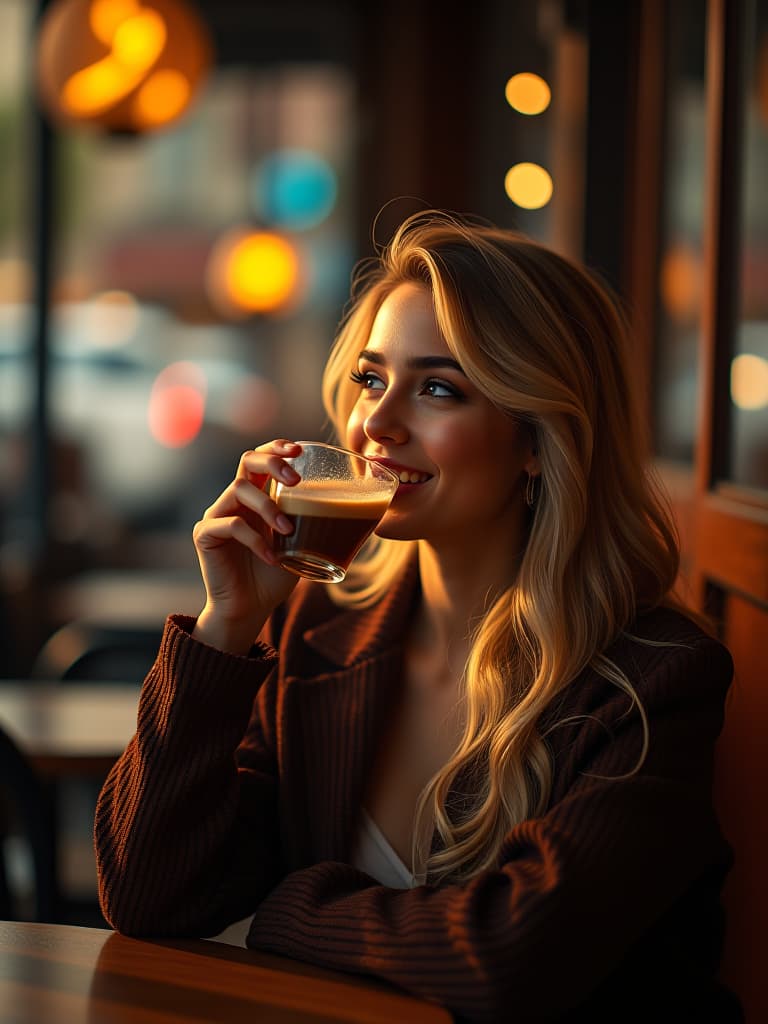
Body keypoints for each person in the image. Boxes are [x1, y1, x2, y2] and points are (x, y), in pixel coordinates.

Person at [95, 209, 741, 1022]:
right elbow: (148, 892)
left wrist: (289, 907)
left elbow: (505, 961)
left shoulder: (650, 677)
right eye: (371, 378)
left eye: (439, 388)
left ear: (539, 439)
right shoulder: (321, 625)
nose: (377, 424)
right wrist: (227, 629)